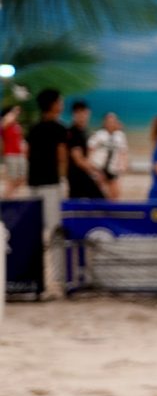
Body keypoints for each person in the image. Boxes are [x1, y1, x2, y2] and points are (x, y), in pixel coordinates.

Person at [25, 89, 68, 296]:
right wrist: (63, 179)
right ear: (53, 104)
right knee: (55, 230)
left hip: (34, 183)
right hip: (51, 184)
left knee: (35, 232)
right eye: (59, 101)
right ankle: (57, 279)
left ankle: (36, 279)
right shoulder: (59, 128)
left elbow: (28, 155)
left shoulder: (33, 129)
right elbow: (61, 157)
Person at [65, 100, 105, 200]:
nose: (82, 116)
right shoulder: (73, 133)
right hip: (78, 176)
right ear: (74, 114)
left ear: (88, 113)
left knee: (78, 203)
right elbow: (78, 160)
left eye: (84, 112)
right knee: (100, 202)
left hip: (82, 175)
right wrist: (95, 171)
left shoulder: (83, 132)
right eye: (78, 113)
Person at [87, 112, 129, 200]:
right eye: (109, 121)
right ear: (104, 122)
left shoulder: (120, 136)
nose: (111, 123)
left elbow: (123, 152)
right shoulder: (99, 134)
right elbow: (90, 150)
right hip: (99, 168)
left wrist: (123, 166)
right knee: (101, 193)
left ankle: (112, 212)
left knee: (115, 194)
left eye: (113, 121)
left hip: (113, 168)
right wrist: (91, 167)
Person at [2, 105, 27, 198]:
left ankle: (11, 195)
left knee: (21, 178)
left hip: (19, 154)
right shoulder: (7, 121)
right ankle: (7, 197)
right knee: (11, 179)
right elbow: (4, 123)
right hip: (10, 154)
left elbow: (20, 138)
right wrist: (13, 112)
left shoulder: (17, 125)